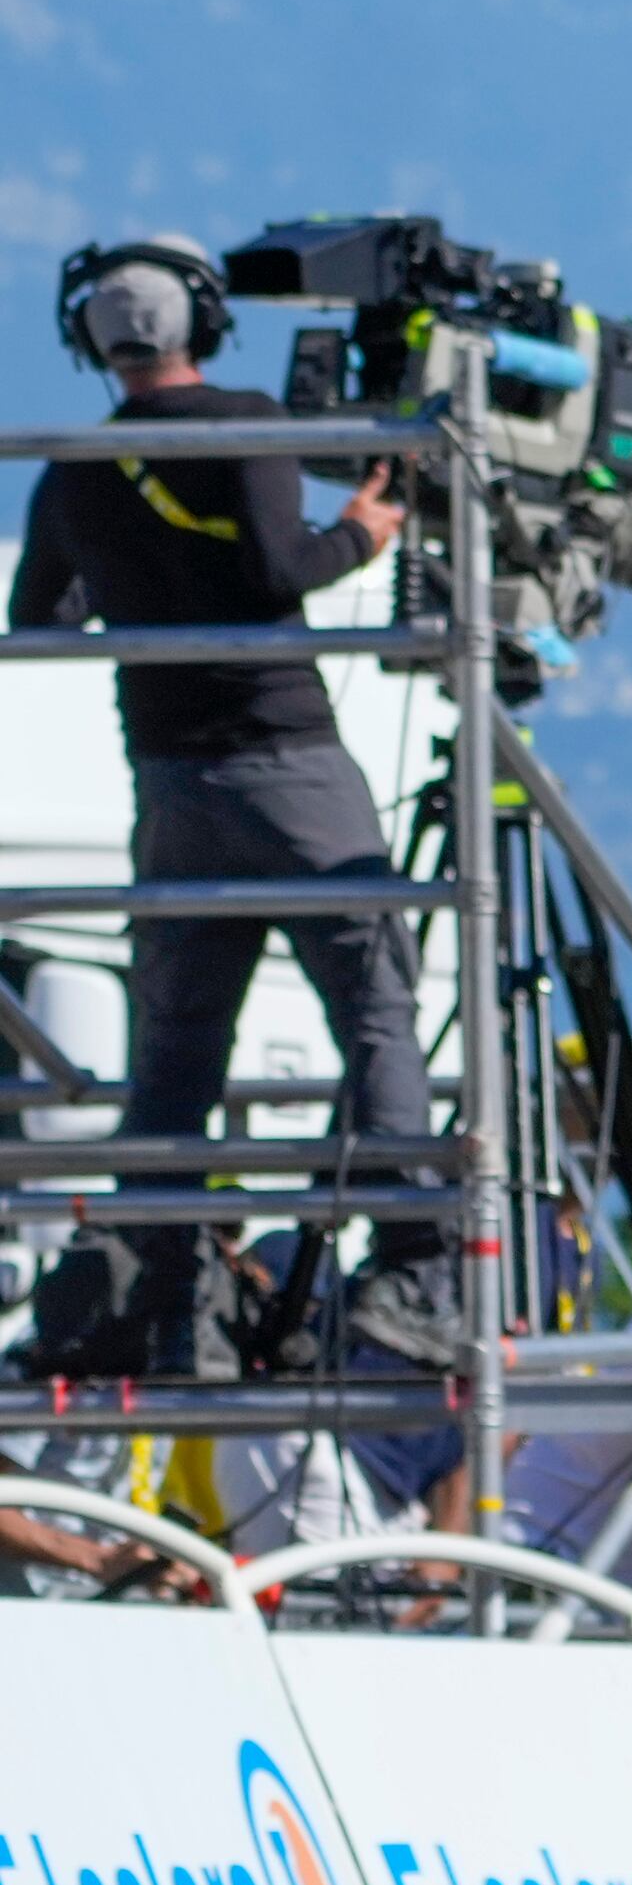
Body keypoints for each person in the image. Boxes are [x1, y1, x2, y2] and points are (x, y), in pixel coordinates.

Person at [9, 236, 437, 1375]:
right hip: (288, 764)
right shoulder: (245, 422)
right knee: (373, 1003)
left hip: (169, 785)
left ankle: (164, 1300)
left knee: (178, 1049)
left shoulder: (73, 468)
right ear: (202, 321)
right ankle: (416, 1262)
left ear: (91, 342)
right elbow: (277, 572)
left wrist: (134, 581)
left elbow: (40, 618)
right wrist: (364, 534)